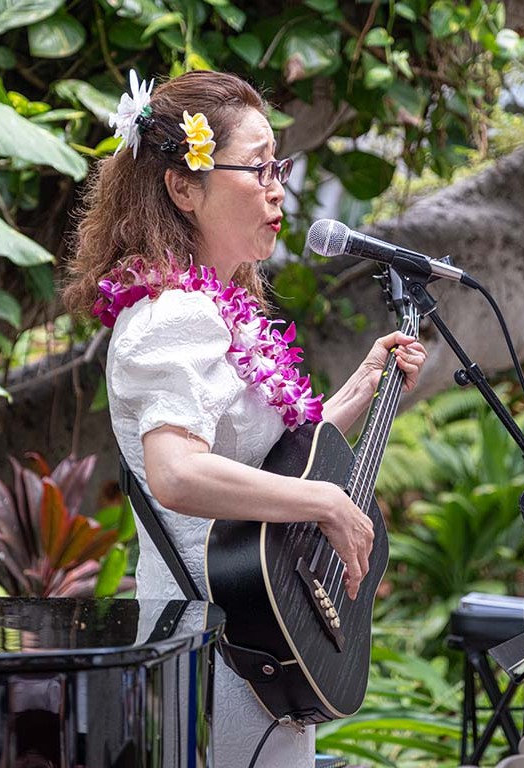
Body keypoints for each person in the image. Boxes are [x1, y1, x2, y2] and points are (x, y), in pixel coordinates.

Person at [63, 69, 427, 767]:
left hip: (259, 630)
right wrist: (326, 503)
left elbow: (264, 461)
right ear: (184, 187)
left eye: (277, 167)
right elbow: (178, 473)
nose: (276, 188)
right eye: (257, 168)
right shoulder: (173, 315)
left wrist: (363, 387)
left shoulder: (215, 308)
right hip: (218, 650)